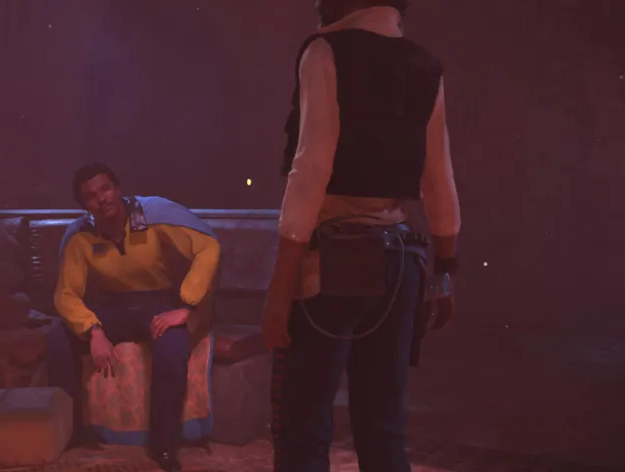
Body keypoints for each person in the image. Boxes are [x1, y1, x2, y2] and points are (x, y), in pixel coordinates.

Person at [262, 1, 461, 471]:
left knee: (303, 430)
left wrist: (281, 286)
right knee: (383, 430)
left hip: (331, 267)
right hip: (401, 264)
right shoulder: (425, 65)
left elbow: (311, 170)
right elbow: (439, 177)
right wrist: (445, 272)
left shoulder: (325, 51)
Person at [47, 163, 221, 472]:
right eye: (91, 196)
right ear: (85, 206)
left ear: (118, 189)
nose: (102, 198)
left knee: (172, 347)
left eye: (106, 188)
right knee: (59, 337)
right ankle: (70, 434)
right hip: (113, 305)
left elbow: (208, 246)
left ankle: (164, 447)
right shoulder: (80, 235)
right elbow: (66, 294)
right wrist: (93, 330)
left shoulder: (154, 215)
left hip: (158, 300)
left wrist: (187, 305)